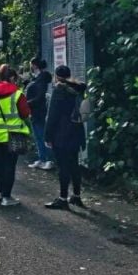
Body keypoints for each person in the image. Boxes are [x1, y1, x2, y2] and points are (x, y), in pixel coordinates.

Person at [0, 64, 31, 206]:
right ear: (11, 77)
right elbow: (25, 113)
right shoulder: (17, 94)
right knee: (10, 166)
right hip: (12, 135)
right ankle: (6, 196)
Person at [44, 65, 88, 210]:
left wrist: (48, 135)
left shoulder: (59, 91)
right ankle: (76, 196)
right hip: (76, 131)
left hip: (61, 133)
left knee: (63, 167)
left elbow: (52, 116)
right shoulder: (79, 89)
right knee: (74, 165)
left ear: (56, 76)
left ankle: (63, 198)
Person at [25, 57, 54, 170]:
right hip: (35, 110)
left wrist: (28, 103)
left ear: (35, 65)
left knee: (41, 135)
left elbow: (40, 96)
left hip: (38, 111)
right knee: (38, 135)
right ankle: (42, 158)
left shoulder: (41, 79)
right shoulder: (39, 78)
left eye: (31, 65)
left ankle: (47, 159)